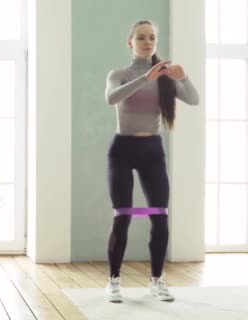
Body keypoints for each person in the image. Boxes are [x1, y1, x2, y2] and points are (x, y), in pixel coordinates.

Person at [103, 20, 199, 303]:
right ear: (129, 42)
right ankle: (114, 281)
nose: (147, 42)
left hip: (151, 151)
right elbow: (111, 98)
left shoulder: (166, 76)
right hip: (122, 149)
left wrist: (183, 77)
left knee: (160, 216)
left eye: (152, 38)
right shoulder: (119, 74)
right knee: (123, 216)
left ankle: (157, 280)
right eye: (141, 37)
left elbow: (193, 99)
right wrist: (146, 79)